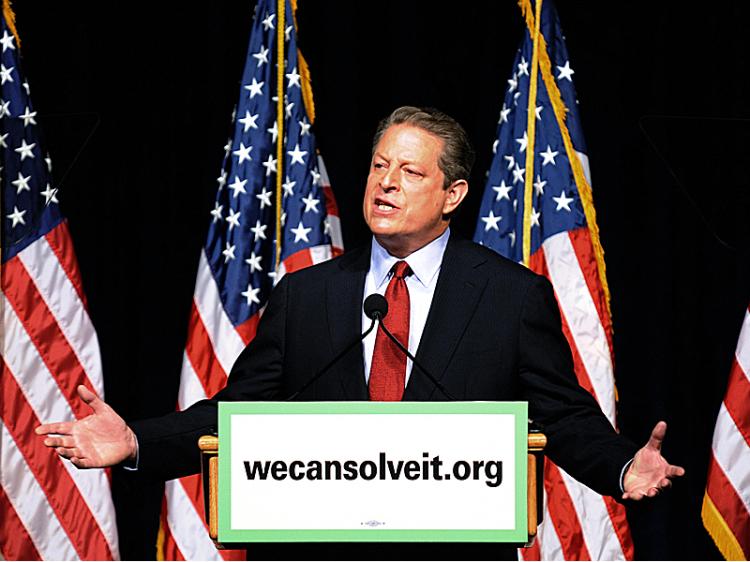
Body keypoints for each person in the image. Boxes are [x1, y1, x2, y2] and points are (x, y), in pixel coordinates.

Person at [38, 106, 684, 559]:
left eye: (409, 172)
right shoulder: (306, 295)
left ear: (453, 194)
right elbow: (238, 416)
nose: (386, 183)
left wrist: (621, 465)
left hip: (448, 553)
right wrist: (136, 444)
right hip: (316, 552)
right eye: (379, 167)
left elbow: (560, 412)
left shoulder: (510, 296)